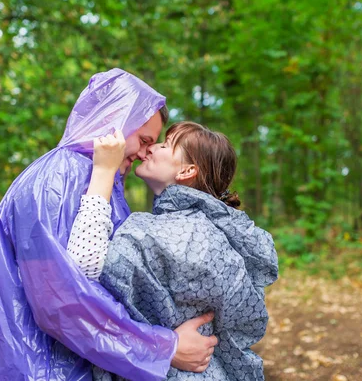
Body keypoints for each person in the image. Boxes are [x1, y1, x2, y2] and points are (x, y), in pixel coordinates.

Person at [0, 69, 217, 381]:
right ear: (113, 120)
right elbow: (60, 301)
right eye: (143, 140)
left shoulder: (98, 177)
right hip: (40, 368)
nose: (144, 154)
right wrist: (163, 348)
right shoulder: (58, 179)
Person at [67, 122, 279, 380]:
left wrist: (103, 171)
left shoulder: (174, 233)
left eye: (166, 145)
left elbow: (81, 273)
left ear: (187, 170)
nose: (152, 148)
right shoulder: (209, 227)